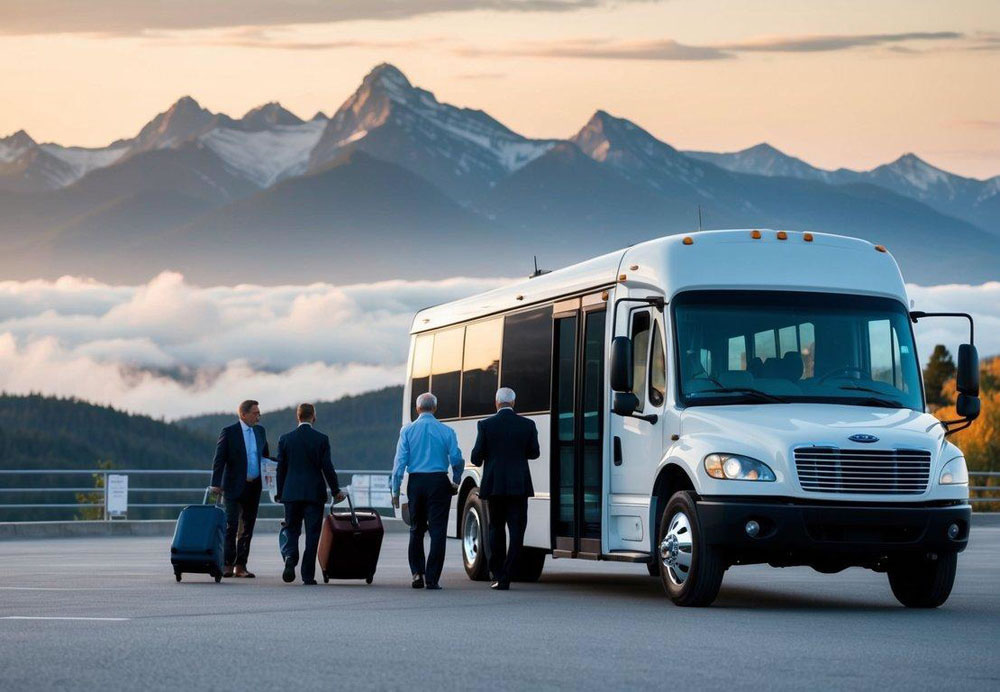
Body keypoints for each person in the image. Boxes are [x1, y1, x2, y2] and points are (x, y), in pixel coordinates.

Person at [391, 392, 463, 590]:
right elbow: (456, 459)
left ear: (417, 408)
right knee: (438, 532)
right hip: (439, 482)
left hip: (416, 482)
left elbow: (399, 464)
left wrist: (395, 491)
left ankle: (417, 574)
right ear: (435, 408)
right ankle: (432, 579)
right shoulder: (447, 431)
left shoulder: (407, 431)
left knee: (416, 530)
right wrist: (456, 481)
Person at [471, 387, 540, 591]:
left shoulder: (485, 425)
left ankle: (498, 573)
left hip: (494, 487)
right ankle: (509, 572)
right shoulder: (528, 425)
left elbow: (476, 457)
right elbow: (534, 453)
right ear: (514, 403)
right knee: (517, 531)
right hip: (519, 486)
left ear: (496, 403)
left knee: (496, 529)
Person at [275, 403, 345, 585]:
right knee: (312, 534)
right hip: (314, 493)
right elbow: (327, 467)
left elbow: (280, 469)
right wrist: (336, 490)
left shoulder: (285, 439)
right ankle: (307, 575)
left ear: (297, 417)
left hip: (291, 493)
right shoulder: (321, 439)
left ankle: (290, 557)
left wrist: (280, 492)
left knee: (292, 529)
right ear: (313, 417)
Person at [210, 399, 269, 578]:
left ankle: (241, 566)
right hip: (233, 486)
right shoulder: (229, 432)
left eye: (259, 413)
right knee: (231, 525)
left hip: (254, 486)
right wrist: (215, 483)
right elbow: (219, 459)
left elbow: (264, 456)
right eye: (254, 413)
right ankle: (227, 563)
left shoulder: (260, 431)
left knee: (248, 527)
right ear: (243, 414)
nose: (258, 416)